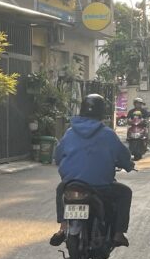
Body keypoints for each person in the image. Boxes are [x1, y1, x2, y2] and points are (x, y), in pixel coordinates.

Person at [50, 93, 134, 248]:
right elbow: (123, 156)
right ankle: (118, 233)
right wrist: (128, 165)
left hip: (72, 184)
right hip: (101, 187)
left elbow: (58, 156)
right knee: (125, 193)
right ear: (101, 112)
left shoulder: (69, 133)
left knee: (60, 189)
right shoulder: (108, 134)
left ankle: (63, 227)